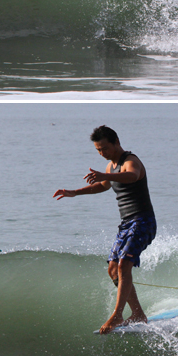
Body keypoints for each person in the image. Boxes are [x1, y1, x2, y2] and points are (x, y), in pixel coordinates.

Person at [53, 125, 156, 333]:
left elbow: (132, 176)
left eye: (105, 149)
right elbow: (101, 186)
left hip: (143, 221)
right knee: (112, 269)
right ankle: (137, 313)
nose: (102, 153)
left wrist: (105, 176)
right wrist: (74, 192)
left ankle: (117, 316)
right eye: (98, 150)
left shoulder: (130, 161)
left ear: (116, 142)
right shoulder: (110, 167)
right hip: (126, 223)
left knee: (124, 263)